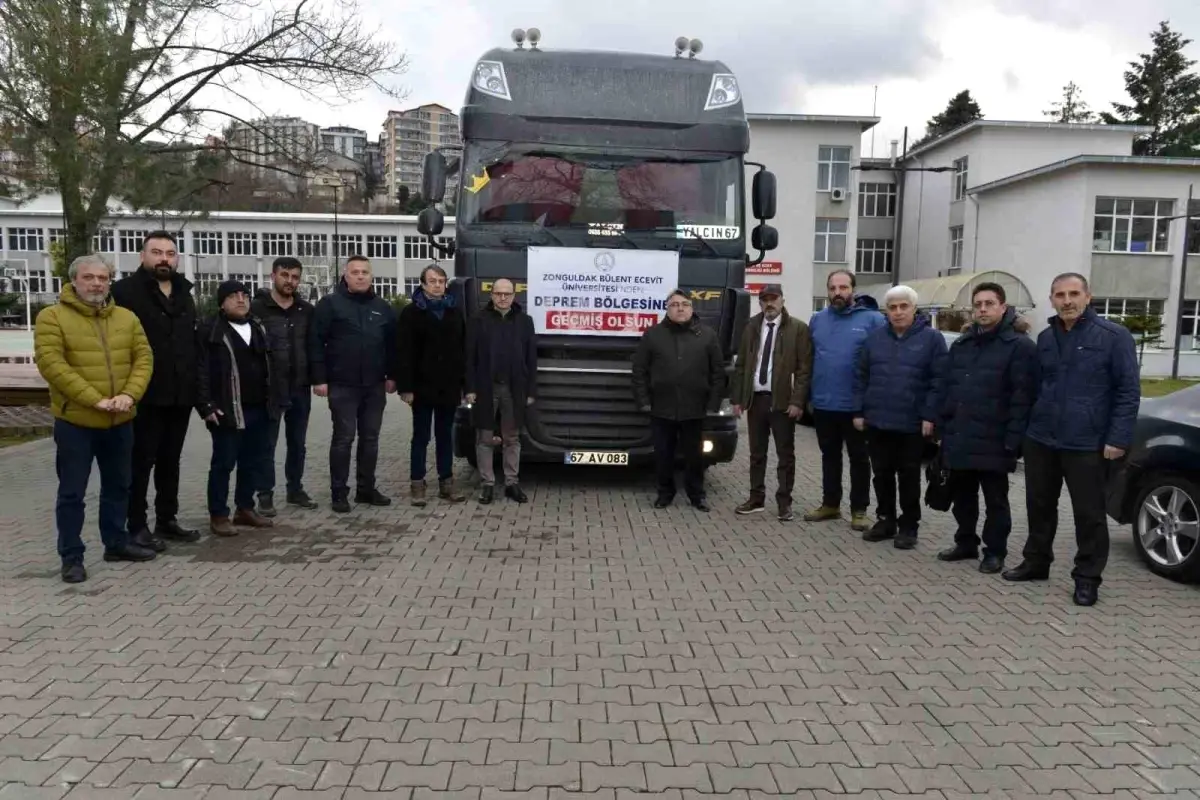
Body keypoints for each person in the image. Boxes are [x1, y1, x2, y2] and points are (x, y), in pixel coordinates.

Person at [1006, 273, 1140, 607]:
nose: (1067, 301)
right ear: (1051, 299)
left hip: (1088, 443)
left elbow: (1128, 391)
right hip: (1042, 439)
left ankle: (1087, 578)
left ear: (1087, 296)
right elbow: (1037, 387)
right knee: (1039, 505)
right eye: (1060, 295)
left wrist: (1118, 438)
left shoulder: (1113, 336)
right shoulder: (1047, 338)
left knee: (1089, 513)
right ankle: (1037, 562)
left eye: (1074, 294)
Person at [35, 254, 159, 582]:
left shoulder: (127, 318)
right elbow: (52, 365)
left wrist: (128, 396)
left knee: (119, 486)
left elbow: (143, 358)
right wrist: (96, 400)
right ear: (74, 280)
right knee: (73, 493)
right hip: (76, 422)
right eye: (89, 277)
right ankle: (72, 556)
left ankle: (116, 542)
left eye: (103, 278)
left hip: (120, 420)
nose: (96, 284)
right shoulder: (52, 318)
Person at [933, 283, 1037, 574]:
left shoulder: (1020, 347)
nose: (982, 309)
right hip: (961, 436)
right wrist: (943, 427)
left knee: (996, 502)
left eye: (989, 303)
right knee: (963, 498)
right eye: (977, 304)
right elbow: (948, 389)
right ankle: (965, 542)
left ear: (1003, 308)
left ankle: (995, 551)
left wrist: (1014, 441)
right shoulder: (963, 344)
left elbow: (1023, 398)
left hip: (996, 439)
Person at [111, 231, 201, 551]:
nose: (164, 258)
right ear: (142, 256)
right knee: (140, 461)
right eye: (157, 252)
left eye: (170, 253)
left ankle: (167, 519)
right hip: (143, 394)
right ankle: (136, 525)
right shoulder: (123, 293)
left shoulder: (184, 293)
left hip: (180, 394)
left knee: (170, 460)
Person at [852, 285, 947, 549]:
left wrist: (930, 415)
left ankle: (908, 526)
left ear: (914, 309)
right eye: (893, 307)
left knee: (908, 477)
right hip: (877, 420)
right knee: (881, 474)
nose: (898, 312)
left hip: (911, 423)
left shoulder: (932, 339)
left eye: (904, 306)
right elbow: (861, 377)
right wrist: (859, 411)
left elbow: (939, 381)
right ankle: (885, 520)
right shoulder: (874, 339)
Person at [196, 280, 288, 536]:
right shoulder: (211, 330)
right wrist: (206, 405)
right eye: (234, 295)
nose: (241, 299)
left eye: (244, 295)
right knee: (224, 463)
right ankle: (218, 514)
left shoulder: (257, 326)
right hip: (227, 408)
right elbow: (200, 370)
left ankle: (244, 508)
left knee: (253, 461)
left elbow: (271, 364)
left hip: (260, 406)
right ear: (222, 302)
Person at [308, 255, 398, 513]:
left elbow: (392, 345)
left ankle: (366, 489)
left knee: (370, 439)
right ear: (345, 276)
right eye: (355, 272)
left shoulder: (383, 307)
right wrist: (319, 379)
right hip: (342, 384)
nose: (360, 276)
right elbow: (315, 342)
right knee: (343, 439)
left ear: (371, 277)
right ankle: (339, 493)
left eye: (365, 272)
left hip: (374, 385)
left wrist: (392, 375)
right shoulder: (330, 304)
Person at [805, 269, 886, 530]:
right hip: (824, 403)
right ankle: (830, 504)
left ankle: (859, 510)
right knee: (830, 456)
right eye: (832, 288)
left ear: (853, 289)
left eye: (843, 287)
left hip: (856, 406)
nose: (838, 293)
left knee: (859, 459)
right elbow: (810, 359)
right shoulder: (817, 320)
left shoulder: (873, 320)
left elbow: (880, 362)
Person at [632, 289, 724, 512]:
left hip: (695, 409)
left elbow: (718, 373)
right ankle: (665, 493)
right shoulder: (653, 335)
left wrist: (712, 404)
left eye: (684, 304)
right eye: (674, 304)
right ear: (667, 309)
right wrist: (644, 401)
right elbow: (639, 370)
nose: (680, 308)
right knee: (663, 455)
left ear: (692, 308)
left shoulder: (708, 335)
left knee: (695, 456)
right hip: (661, 408)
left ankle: (697, 495)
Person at [730, 284, 812, 521]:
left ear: (782, 301)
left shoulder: (798, 329)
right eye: (764, 299)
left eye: (773, 299)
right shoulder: (751, 327)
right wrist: (737, 398)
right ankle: (756, 499)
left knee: (785, 455)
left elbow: (804, 370)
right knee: (757, 454)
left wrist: (798, 401)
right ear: (760, 303)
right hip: (756, 400)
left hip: (783, 403)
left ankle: (784, 503)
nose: (769, 303)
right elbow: (742, 365)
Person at [397, 264, 468, 507]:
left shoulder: (454, 312)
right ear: (423, 284)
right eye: (433, 281)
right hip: (421, 387)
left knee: (445, 436)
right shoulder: (411, 313)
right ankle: (417, 484)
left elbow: (462, 351)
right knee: (421, 437)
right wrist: (405, 388)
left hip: (448, 387)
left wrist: (465, 385)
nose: (438, 285)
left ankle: (446, 483)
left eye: (441, 281)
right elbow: (403, 353)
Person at [252, 257, 318, 514]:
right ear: (273, 276)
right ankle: (264, 494)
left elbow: (313, 346)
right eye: (285, 275)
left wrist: (317, 378)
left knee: (298, 443)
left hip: (300, 386)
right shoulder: (257, 309)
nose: (290, 281)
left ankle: (295, 489)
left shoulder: (306, 310)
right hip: (270, 388)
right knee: (267, 443)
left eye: (295, 277)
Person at [465, 277, 536, 504]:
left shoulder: (525, 321)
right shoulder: (478, 320)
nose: (503, 297)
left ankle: (511, 483)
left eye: (507, 294)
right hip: (486, 388)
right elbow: (469, 358)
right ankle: (487, 484)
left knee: (512, 438)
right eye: (498, 293)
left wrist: (530, 390)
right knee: (484, 437)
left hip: (514, 389)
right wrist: (470, 388)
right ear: (491, 295)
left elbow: (531, 358)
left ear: (514, 296)